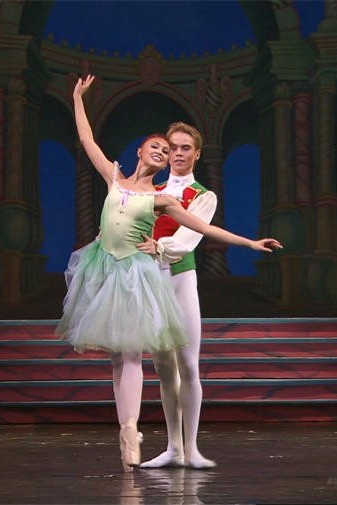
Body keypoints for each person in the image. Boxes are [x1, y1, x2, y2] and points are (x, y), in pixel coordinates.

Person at [55, 75, 282, 472]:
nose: (170, 153)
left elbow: (201, 231)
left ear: (196, 153)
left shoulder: (179, 197)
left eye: (178, 148)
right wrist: (77, 98)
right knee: (139, 359)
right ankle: (150, 438)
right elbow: (88, 141)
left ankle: (184, 446)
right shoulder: (123, 180)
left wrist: (249, 243)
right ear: (140, 150)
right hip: (124, 272)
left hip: (167, 276)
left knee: (181, 363)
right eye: (163, 147)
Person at [135, 122, 218, 469]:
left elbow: (187, 240)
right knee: (164, 368)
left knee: (188, 365)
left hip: (181, 279)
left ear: (196, 154)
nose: (178, 154)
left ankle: (192, 448)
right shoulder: (150, 191)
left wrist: (158, 246)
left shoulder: (203, 195)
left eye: (186, 148)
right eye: (173, 148)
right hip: (152, 282)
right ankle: (173, 447)